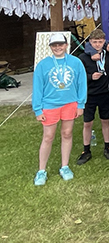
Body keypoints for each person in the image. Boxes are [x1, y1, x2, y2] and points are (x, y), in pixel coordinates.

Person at [32, 33, 87, 186]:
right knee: (48, 136)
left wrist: (81, 104)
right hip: (49, 104)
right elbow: (37, 88)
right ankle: (41, 170)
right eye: (54, 45)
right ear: (50, 47)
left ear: (66, 45)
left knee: (67, 133)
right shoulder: (43, 65)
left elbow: (82, 84)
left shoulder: (76, 62)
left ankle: (65, 166)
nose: (57, 47)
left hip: (70, 103)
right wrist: (38, 109)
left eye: (60, 44)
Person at [77, 29, 109, 165]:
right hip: (89, 95)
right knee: (87, 123)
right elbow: (78, 77)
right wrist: (90, 77)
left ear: (104, 42)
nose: (97, 45)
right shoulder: (83, 57)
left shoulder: (108, 55)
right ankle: (86, 150)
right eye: (94, 42)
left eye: (100, 42)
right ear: (89, 43)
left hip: (105, 93)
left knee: (106, 120)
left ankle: (107, 146)